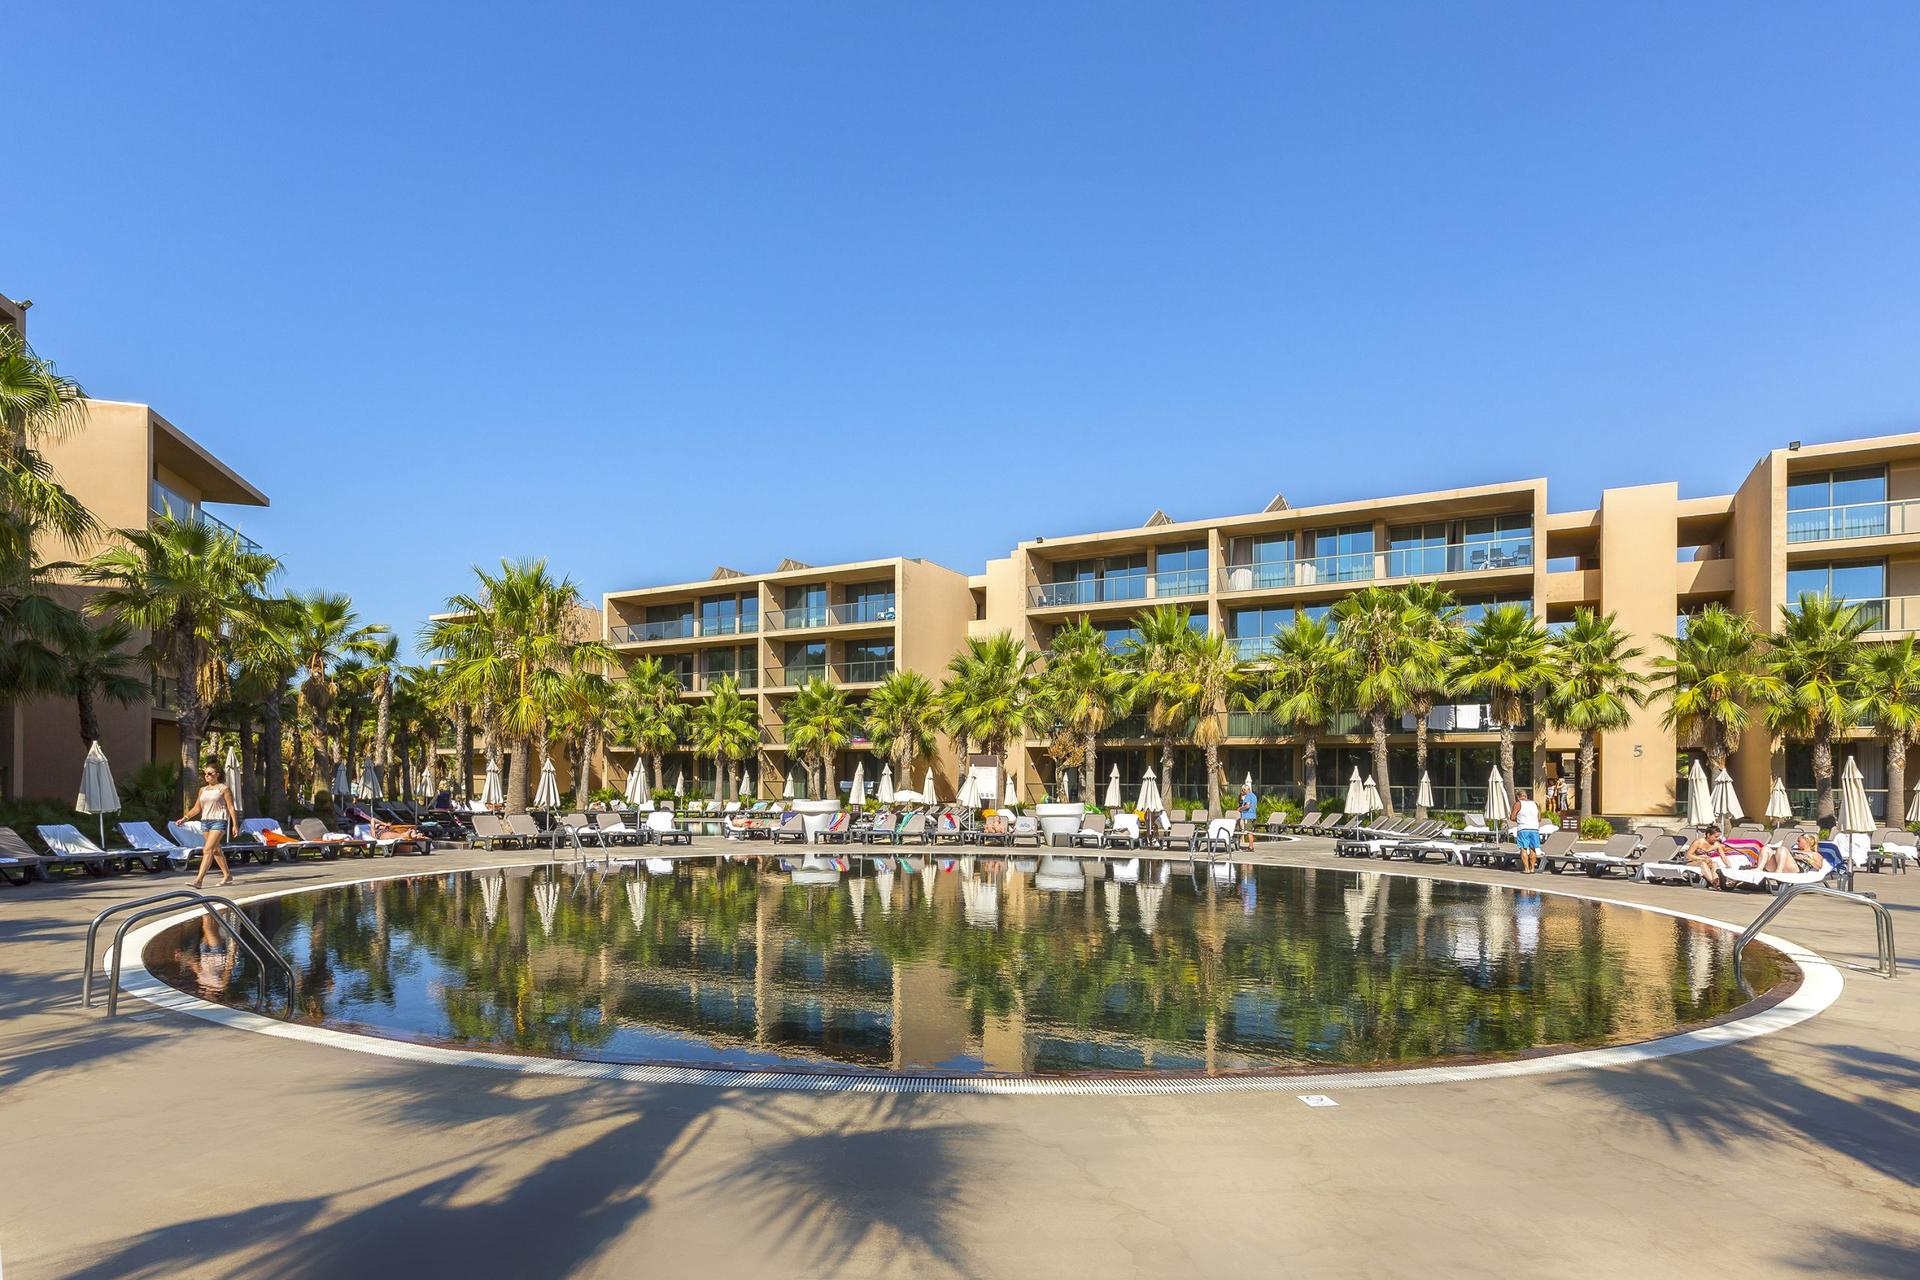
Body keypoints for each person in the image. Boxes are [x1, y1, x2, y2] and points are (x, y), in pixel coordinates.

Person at [180, 763, 238, 888]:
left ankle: (198, 880)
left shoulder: (223, 789)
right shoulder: (203, 790)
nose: (207, 776)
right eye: (205, 774)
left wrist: (235, 825)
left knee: (207, 849)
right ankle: (227, 875)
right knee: (216, 850)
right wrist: (185, 818)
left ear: (217, 774)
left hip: (219, 821)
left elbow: (231, 807)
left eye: (210, 774)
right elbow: (197, 808)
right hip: (205, 822)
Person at [1511, 788, 1542, 872]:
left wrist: (1519, 820)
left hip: (1523, 828)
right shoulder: (1535, 803)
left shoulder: (1518, 804)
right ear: (1526, 796)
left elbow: (1512, 817)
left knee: (1523, 848)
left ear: (1518, 796)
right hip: (1535, 828)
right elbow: (1539, 818)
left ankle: (1526, 868)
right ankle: (1532, 868)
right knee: (1533, 848)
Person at [1237, 783, 1259, 852]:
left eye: (1243, 791)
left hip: (1248, 816)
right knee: (1251, 831)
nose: (1242, 792)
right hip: (1253, 815)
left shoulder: (1248, 796)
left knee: (1249, 832)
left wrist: (1240, 809)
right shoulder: (1254, 795)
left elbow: (1247, 806)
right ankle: (1251, 846)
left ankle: (1250, 847)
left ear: (1245, 790)